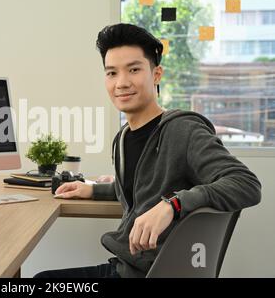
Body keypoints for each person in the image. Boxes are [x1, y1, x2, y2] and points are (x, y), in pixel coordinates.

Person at [34, 23, 262, 278]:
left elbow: (246, 184)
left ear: (156, 74)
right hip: (127, 267)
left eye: (133, 69)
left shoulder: (182, 131)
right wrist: (94, 190)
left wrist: (172, 205)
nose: (121, 83)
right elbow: (145, 190)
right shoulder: (122, 139)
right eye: (111, 73)